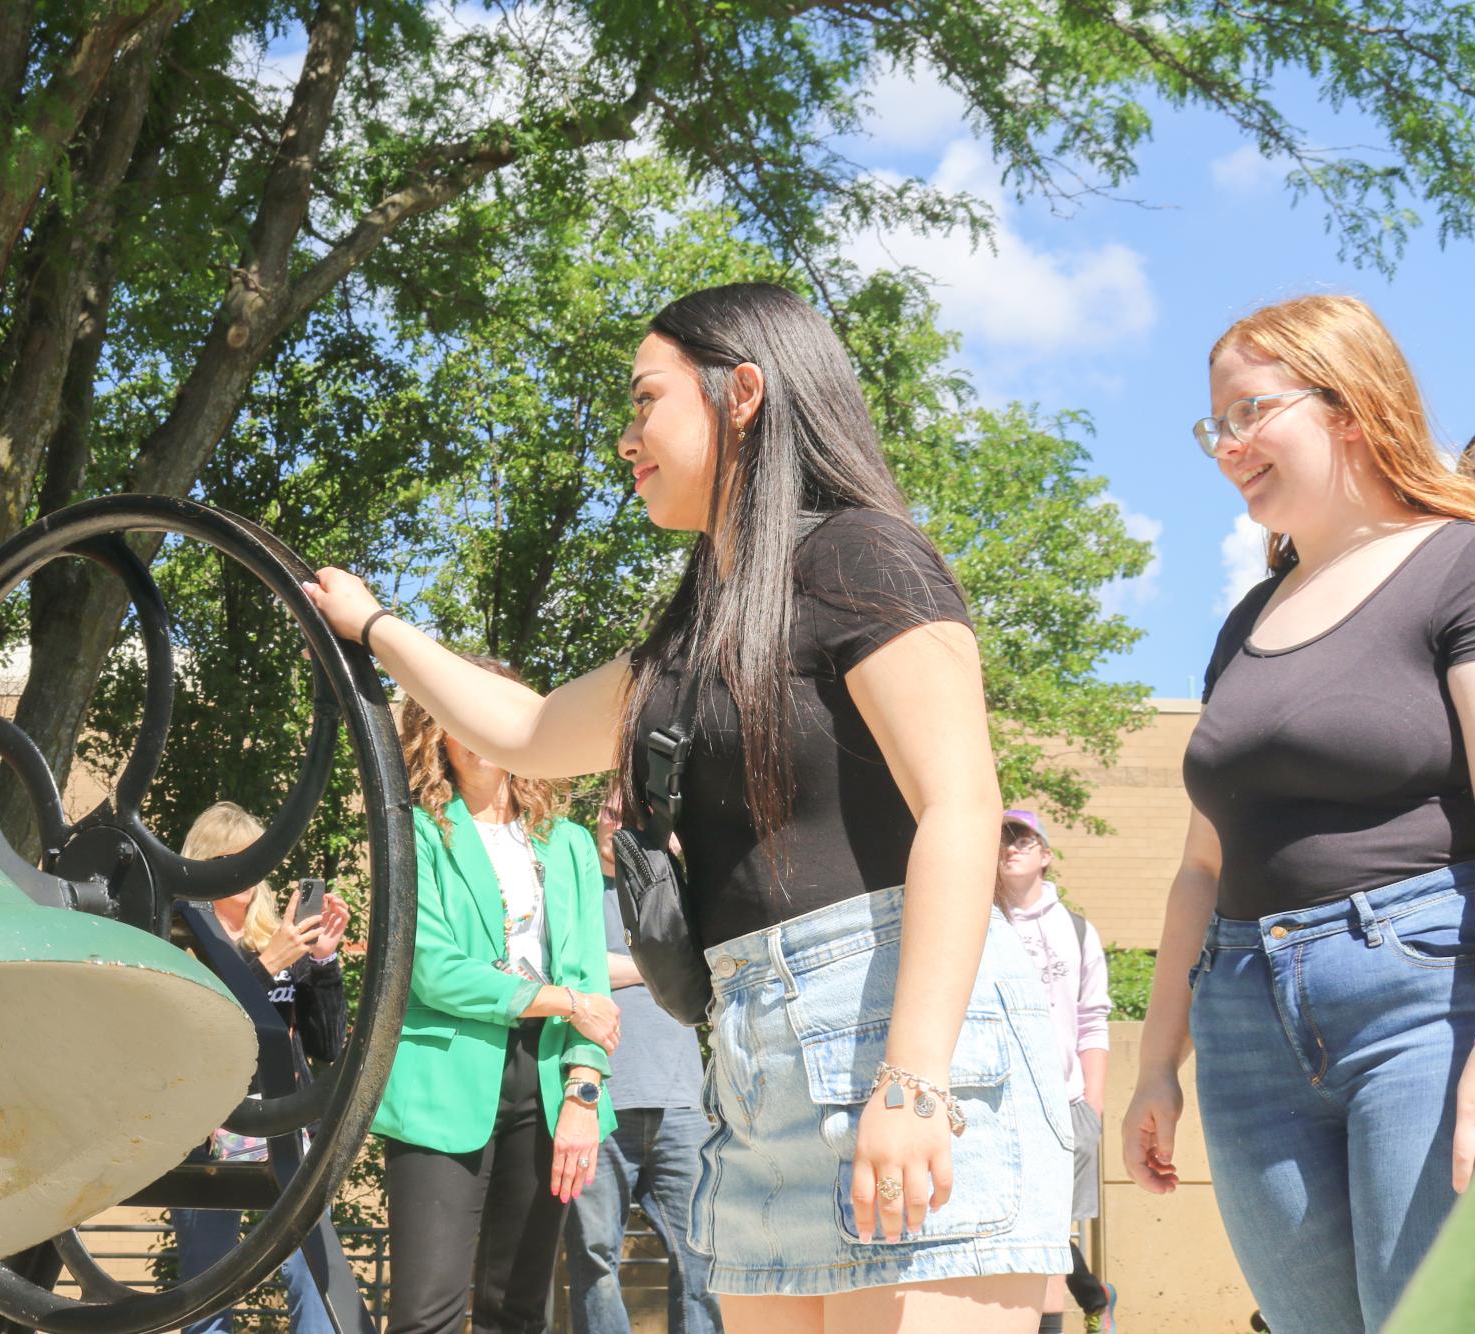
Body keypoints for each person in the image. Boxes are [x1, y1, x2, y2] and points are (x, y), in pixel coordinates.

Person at [308, 282, 1072, 1334]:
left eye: (644, 401)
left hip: (896, 1031)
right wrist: (376, 623)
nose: (626, 438)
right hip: (758, 1063)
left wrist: (914, 1080)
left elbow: (961, 805)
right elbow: (525, 729)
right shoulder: (696, 630)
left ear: (743, 391)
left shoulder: (861, 555)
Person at [1120, 294, 1475, 1333]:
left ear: (1348, 407)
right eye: (1215, 426)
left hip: (1421, 996)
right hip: (1243, 1011)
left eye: (1249, 413)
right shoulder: (1247, 617)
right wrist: (1158, 1062)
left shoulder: (1464, 565)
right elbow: (1201, 865)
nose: (1228, 446)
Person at [365, 655, 622, 1334]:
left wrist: (583, 1093)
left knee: (521, 1309)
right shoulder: (415, 834)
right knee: (425, 1313)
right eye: (462, 716)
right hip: (441, 1081)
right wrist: (562, 1002)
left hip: (549, 1082)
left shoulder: (566, 843)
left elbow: (592, 976)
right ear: (435, 732)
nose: (481, 732)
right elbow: (432, 972)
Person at [169, 801, 350, 1334]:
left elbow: (327, 1043)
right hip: (206, 1134)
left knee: (311, 1279)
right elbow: (193, 1031)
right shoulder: (179, 939)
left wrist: (321, 962)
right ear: (205, 863)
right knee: (207, 1287)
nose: (247, 869)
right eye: (232, 857)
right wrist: (265, 964)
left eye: (254, 857)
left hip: (286, 1129)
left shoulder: (282, 935)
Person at [563, 787, 723, 1334]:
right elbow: (562, 974)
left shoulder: (672, 893)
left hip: (682, 1103)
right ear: (597, 819)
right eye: (613, 813)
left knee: (702, 1258)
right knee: (593, 1259)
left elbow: (705, 965)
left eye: (635, 817)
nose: (621, 824)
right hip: (597, 1103)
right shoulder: (573, 887)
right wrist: (654, 964)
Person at [995, 810, 1117, 1334]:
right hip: (996, 1106)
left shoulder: (1077, 930)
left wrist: (1092, 1107)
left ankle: (1081, 1304)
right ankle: (1093, 1294)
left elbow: (1093, 1020)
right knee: (1018, 1236)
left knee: (1046, 1238)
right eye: (1001, 839)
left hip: (1065, 1107)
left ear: (1046, 854)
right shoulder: (979, 923)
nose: (1011, 847)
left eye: (1024, 838)